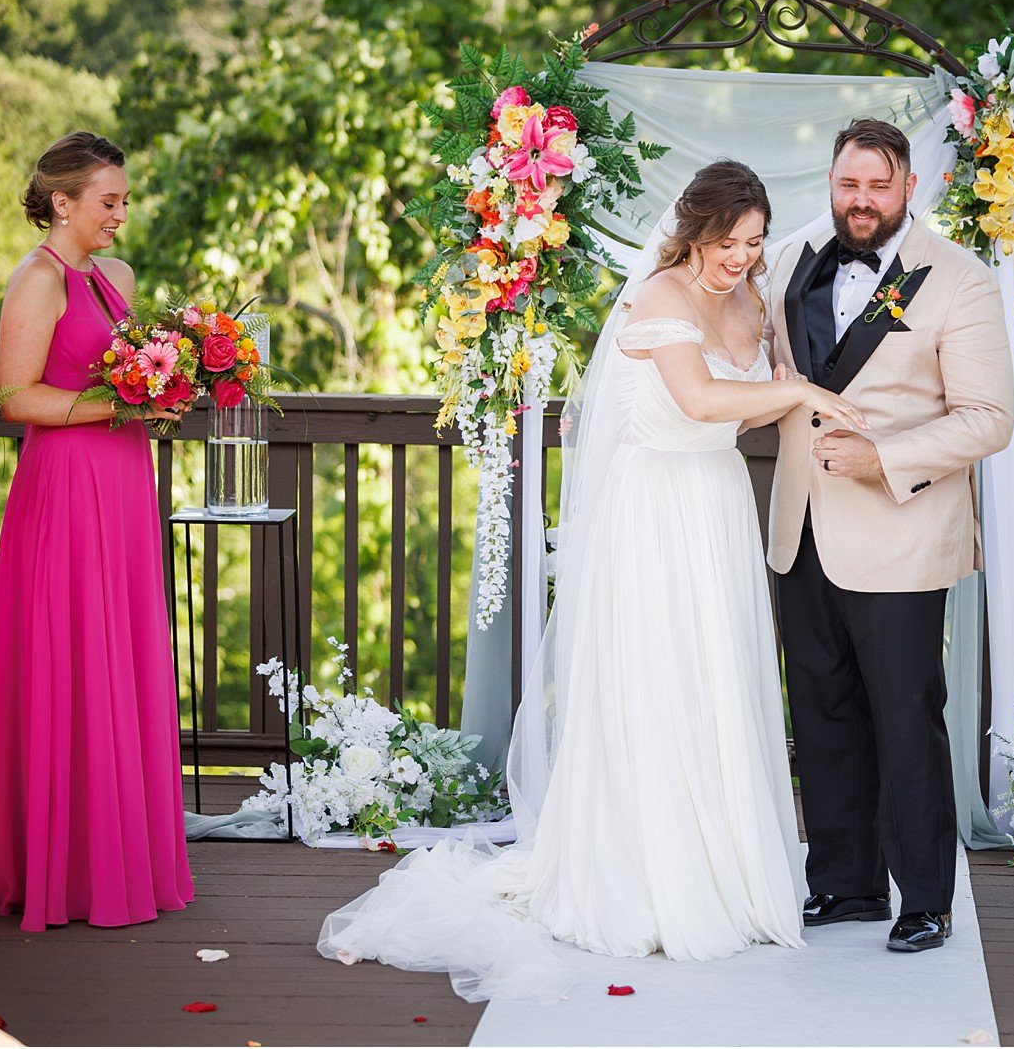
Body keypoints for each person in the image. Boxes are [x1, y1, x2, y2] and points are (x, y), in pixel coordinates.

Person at [319, 162, 871, 998]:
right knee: (654, 681)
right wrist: (796, 388)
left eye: (755, 242)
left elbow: (750, 406)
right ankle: (643, 876)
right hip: (652, 511)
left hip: (717, 503)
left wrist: (790, 392)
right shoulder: (656, 301)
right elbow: (694, 398)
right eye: (729, 243)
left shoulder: (753, 300)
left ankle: (724, 867)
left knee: (712, 682)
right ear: (693, 233)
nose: (743, 257)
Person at [763, 119, 1014, 952]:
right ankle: (845, 884)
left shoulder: (960, 280)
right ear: (830, 184)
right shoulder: (796, 266)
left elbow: (988, 420)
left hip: (903, 533)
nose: (860, 199)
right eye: (847, 184)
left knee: (907, 718)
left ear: (909, 186)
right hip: (801, 526)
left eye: (876, 184)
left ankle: (926, 899)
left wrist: (886, 456)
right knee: (823, 712)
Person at [0, 131, 194, 930]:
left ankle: (114, 852)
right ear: (62, 201)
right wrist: (126, 405)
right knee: (68, 651)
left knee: (118, 647)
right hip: (66, 486)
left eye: (124, 200)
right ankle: (59, 866)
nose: (120, 215)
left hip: (122, 482)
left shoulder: (119, 277)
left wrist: (165, 389)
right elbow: (14, 398)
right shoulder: (35, 281)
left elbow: (125, 370)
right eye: (108, 201)